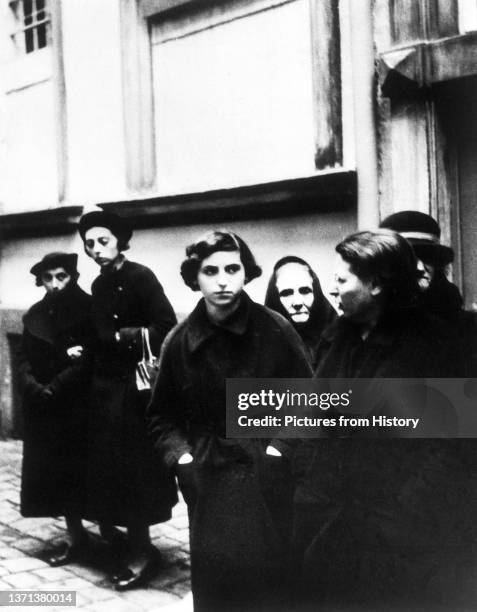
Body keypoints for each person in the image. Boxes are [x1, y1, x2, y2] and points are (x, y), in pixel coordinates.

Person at [293, 230, 474, 610]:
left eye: (342, 279)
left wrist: (402, 516)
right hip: (331, 522)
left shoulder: (434, 345)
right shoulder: (336, 336)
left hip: (400, 536)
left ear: (375, 284)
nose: (333, 288)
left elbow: (449, 450)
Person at [147, 230, 312, 612]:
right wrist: (182, 459)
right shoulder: (179, 341)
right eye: (211, 270)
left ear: (246, 273)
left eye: (233, 268)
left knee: (270, 587)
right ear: (195, 277)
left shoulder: (275, 329)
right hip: (208, 475)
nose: (223, 280)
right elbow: (160, 415)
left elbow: (310, 400)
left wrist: (277, 450)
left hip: (265, 473)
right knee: (217, 588)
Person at [78, 210, 178, 590]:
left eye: (103, 240)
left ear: (120, 240)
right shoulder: (99, 285)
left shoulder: (141, 276)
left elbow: (167, 325)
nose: (96, 249)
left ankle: (142, 551)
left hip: (134, 396)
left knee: (136, 472)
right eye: (89, 243)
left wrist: (129, 337)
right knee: (107, 470)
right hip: (104, 392)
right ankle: (120, 540)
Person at [18, 252, 92, 566]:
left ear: (72, 277)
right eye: (48, 278)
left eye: (61, 277)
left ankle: (108, 530)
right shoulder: (34, 314)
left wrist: (56, 386)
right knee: (55, 476)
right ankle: (76, 537)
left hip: (77, 406)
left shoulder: (89, 310)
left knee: (85, 473)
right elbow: (22, 359)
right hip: (44, 409)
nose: (55, 284)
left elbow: (91, 358)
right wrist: (33, 387)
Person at [380, 210, 477, 375]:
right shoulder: (372, 324)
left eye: (427, 257)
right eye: (409, 259)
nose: (420, 267)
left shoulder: (468, 328)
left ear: (438, 264)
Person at [265, 255, 335, 368]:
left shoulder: (340, 337)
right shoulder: (263, 344)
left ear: (316, 294)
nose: (297, 302)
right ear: (275, 299)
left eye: (305, 291)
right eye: (286, 293)